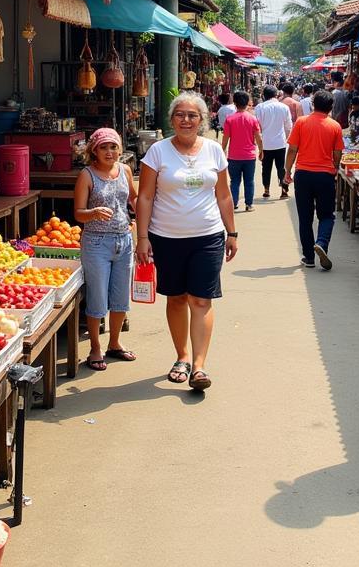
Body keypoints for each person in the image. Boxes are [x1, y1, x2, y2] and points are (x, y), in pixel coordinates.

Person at [136, 92, 237, 391]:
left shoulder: (215, 151)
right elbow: (145, 196)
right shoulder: (157, 152)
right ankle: (181, 357)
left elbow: (223, 195)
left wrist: (231, 232)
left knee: (201, 299)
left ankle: (199, 366)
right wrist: (142, 237)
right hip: (166, 237)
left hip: (207, 236)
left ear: (202, 120)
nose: (186, 120)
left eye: (192, 115)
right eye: (180, 114)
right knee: (177, 298)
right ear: (171, 120)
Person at [73, 128, 137, 371]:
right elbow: (78, 213)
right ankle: (95, 348)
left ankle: (115, 343)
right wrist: (93, 213)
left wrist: (142, 224)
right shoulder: (87, 175)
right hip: (96, 242)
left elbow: (133, 198)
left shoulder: (126, 170)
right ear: (94, 151)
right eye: (104, 147)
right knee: (98, 297)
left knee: (121, 297)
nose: (109, 152)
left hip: (124, 240)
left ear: (119, 149)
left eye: (113, 147)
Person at [283, 89, 344, 270]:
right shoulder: (334, 126)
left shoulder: (301, 122)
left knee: (305, 217)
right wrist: (334, 167)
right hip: (325, 176)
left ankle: (309, 257)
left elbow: (292, 149)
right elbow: (337, 153)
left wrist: (287, 171)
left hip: (303, 175)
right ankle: (322, 243)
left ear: (313, 104)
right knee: (326, 215)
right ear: (330, 106)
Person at [222, 90, 262, 211]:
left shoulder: (229, 119)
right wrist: (261, 150)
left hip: (234, 156)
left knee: (234, 181)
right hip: (249, 156)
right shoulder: (252, 119)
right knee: (249, 181)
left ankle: (234, 204)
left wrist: (222, 151)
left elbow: (225, 138)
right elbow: (258, 137)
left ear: (234, 103)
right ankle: (249, 205)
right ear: (247, 103)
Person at [255, 85, 293, 200]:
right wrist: (285, 138)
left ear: (264, 95)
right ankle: (284, 190)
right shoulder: (283, 107)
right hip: (280, 143)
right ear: (276, 95)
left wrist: (259, 142)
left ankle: (266, 190)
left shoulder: (260, 107)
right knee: (281, 167)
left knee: (266, 168)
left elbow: (257, 127)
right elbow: (288, 126)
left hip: (266, 143)